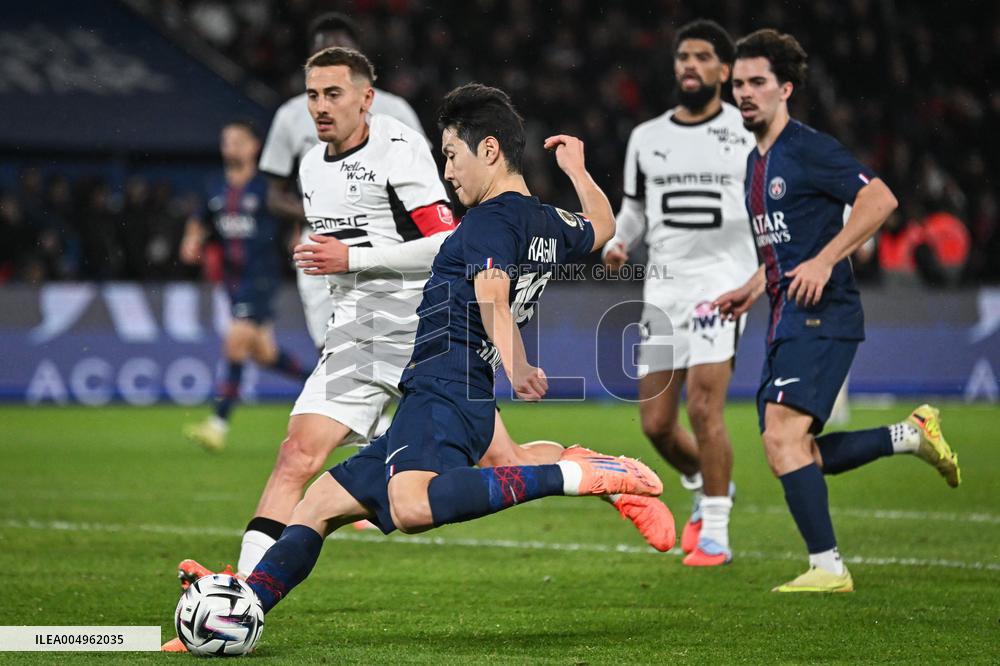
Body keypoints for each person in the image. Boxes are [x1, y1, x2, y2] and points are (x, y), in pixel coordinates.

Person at [163, 57, 674, 653]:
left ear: (489, 151)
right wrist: (578, 170)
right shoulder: (544, 221)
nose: (448, 172)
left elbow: (490, 294)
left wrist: (519, 365)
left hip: (446, 379)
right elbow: (603, 225)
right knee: (320, 503)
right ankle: (240, 609)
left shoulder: (486, 224)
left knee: (410, 506)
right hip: (443, 382)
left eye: (453, 155)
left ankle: (580, 474)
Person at [715, 29, 961, 592]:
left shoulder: (807, 148)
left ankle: (827, 568)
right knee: (791, 447)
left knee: (782, 438)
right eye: (739, 85)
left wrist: (826, 261)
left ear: (786, 89)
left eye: (757, 83)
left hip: (823, 312)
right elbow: (786, 245)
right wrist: (755, 286)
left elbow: (880, 200)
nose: (745, 93)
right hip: (785, 313)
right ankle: (911, 435)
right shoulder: (756, 164)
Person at [602, 20, 754, 566]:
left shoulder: (747, 133)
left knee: (704, 408)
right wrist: (620, 241)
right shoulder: (648, 138)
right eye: (682, 56)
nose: (689, 65)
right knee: (656, 425)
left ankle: (716, 531)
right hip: (662, 294)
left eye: (702, 57)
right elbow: (636, 211)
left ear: (724, 70)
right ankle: (708, 484)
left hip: (722, 289)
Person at [259, 12, 426, 352]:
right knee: (330, 345)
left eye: (341, 52)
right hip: (318, 242)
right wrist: (318, 214)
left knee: (392, 343)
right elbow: (274, 195)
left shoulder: (395, 111)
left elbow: (424, 181)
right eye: (324, 53)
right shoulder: (291, 115)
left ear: (359, 56)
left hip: (386, 240)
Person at [181, 121, 311, 451]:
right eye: (227, 142)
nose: (231, 148)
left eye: (238, 141)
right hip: (232, 281)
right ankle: (319, 384)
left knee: (235, 342)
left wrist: (299, 235)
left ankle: (217, 423)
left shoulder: (266, 188)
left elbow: (300, 211)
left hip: (262, 276)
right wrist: (192, 239)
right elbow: (201, 218)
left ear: (254, 146)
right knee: (264, 354)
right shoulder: (215, 187)